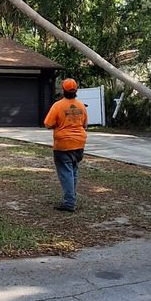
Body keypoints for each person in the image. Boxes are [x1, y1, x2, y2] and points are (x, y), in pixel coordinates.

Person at [44, 78, 88, 211]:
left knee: (66, 173)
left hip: (63, 144)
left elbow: (48, 124)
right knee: (73, 170)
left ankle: (69, 202)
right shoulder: (81, 106)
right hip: (79, 143)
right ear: (76, 90)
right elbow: (85, 125)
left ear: (63, 90)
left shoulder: (58, 106)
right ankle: (71, 197)